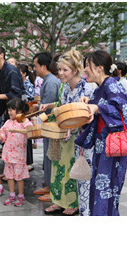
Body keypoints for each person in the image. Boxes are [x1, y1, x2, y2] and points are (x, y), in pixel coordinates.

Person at [75, 50, 127, 216]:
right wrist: (88, 105)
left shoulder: (113, 86)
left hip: (112, 148)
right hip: (103, 147)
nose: (85, 70)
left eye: (87, 66)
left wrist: (98, 107)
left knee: (106, 191)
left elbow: (124, 114)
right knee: (100, 191)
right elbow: (95, 114)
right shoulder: (100, 88)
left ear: (100, 68)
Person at [40, 48, 94, 216]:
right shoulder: (64, 87)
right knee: (58, 169)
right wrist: (50, 106)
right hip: (63, 133)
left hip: (78, 137)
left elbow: (86, 115)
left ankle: (74, 203)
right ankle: (58, 201)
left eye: (65, 70)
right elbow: (62, 105)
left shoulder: (86, 88)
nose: (61, 73)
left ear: (75, 70)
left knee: (72, 170)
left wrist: (71, 127)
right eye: (60, 69)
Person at [33, 52, 60, 201]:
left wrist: (36, 111)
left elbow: (47, 110)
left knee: (51, 155)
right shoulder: (48, 80)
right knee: (47, 155)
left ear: (44, 66)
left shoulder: (50, 82)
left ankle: (52, 188)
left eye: (36, 66)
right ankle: (49, 185)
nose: (35, 69)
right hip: (49, 124)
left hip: (52, 125)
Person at [0, 98, 32, 206]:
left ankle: (21, 196)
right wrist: (0, 136)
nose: (10, 112)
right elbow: (2, 133)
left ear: (19, 111)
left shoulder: (24, 121)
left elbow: (30, 131)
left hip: (19, 156)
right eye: (9, 109)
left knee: (19, 177)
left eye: (12, 109)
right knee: (9, 176)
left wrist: (20, 129)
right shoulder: (8, 122)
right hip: (8, 154)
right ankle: (12, 194)